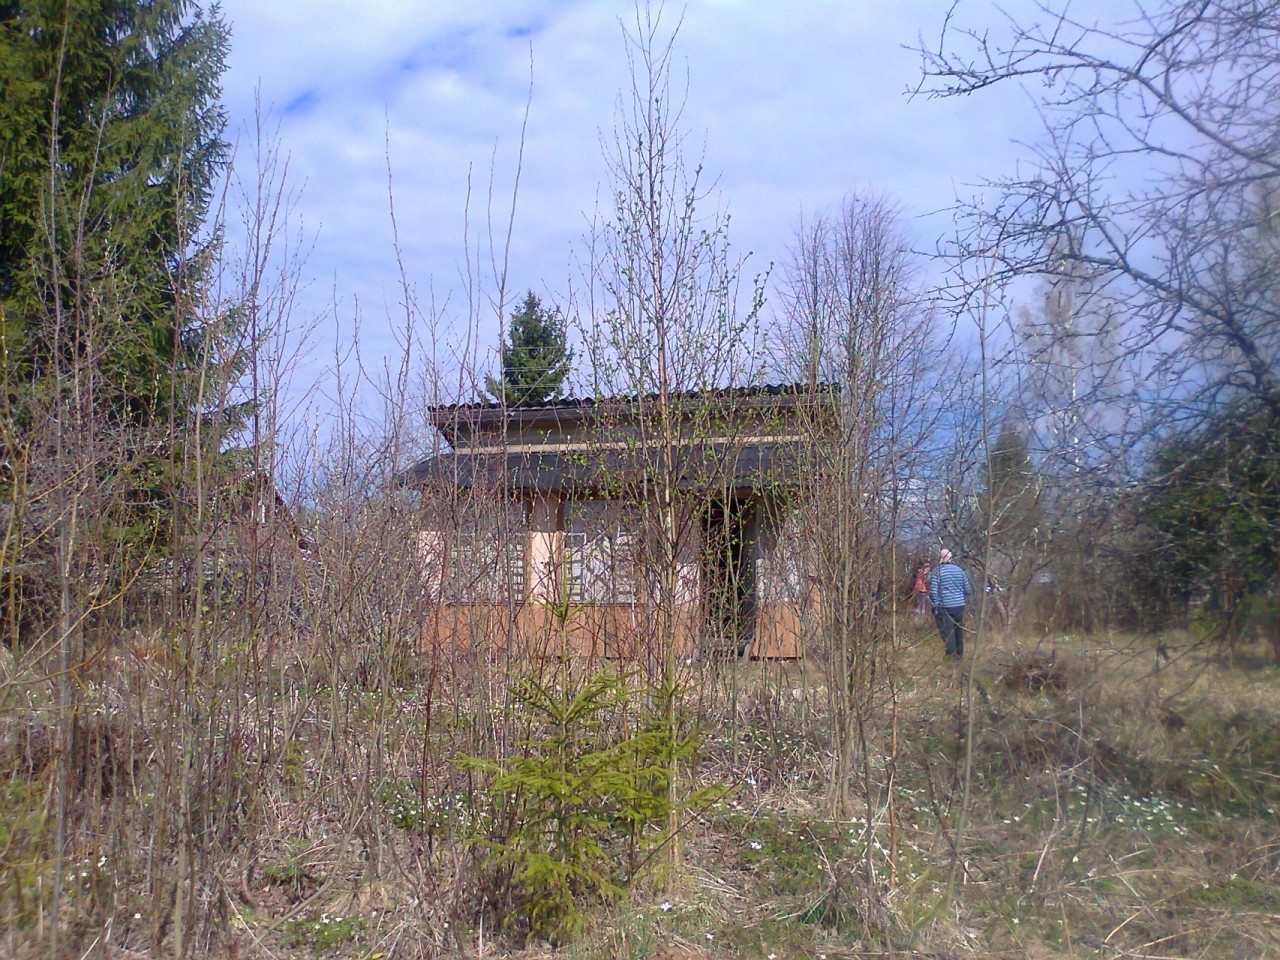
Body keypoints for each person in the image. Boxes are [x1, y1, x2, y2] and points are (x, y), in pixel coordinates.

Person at [928, 548, 971, 658]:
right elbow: (967, 589)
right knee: (958, 630)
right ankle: (959, 655)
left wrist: (936, 605)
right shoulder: (959, 570)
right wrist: (961, 598)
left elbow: (933, 591)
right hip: (959, 605)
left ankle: (951, 657)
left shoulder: (937, 571)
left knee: (948, 632)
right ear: (951, 558)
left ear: (941, 558)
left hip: (945, 606)